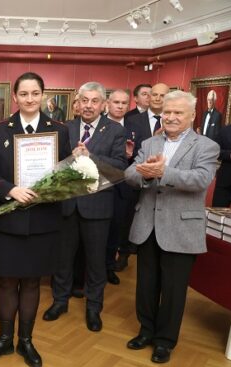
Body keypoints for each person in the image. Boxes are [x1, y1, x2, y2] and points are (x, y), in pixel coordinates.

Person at [0, 72, 71, 367]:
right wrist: (11, 190)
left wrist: (70, 172)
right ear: (15, 97)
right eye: (24, 94)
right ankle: (4, 339)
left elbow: (66, 176)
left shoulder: (59, 130)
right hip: (8, 221)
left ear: (43, 95)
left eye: (35, 93)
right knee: (6, 283)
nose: (30, 99)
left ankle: (26, 341)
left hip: (43, 221)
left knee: (32, 283)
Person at [124, 90, 218, 363]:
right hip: (147, 225)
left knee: (174, 290)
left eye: (178, 112)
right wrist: (144, 174)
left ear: (192, 115)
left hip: (181, 228)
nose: (172, 117)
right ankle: (146, 330)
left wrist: (164, 172)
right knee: (146, 285)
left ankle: (165, 341)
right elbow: (130, 174)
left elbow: (201, 179)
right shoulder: (150, 142)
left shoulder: (206, 146)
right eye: (167, 112)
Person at [46, 81, 127, 332]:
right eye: (84, 100)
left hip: (97, 207)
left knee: (95, 262)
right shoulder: (64, 128)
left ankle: (94, 308)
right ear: (77, 103)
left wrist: (91, 157)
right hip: (67, 205)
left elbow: (119, 169)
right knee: (62, 259)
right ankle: (60, 301)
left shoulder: (115, 131)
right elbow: (52, 163)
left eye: (94, 101)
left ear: (103, 105)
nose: (89, 105)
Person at [116, 83, 169, 271]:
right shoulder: (131, 120)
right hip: (135, 180)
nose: (157, 98)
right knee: (128, 218)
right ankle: (124, 254)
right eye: (154, 94)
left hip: (164, 185)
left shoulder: (173, 121)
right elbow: (126, 151)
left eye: (162, 95)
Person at [104, 89, 132, 285]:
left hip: (122, 186)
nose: (120, 106)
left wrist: (130, 156)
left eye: (124, 103)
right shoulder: (98, 125)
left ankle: (109, 267)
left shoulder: (134, 126)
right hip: (97, 185)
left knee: (115, 230)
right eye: (116, 102)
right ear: (108, 103)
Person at [212, 122, 231, 207]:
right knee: (216, 212)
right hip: (225, 181)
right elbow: (213, 151)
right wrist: (230, 154)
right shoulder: (226, 130)